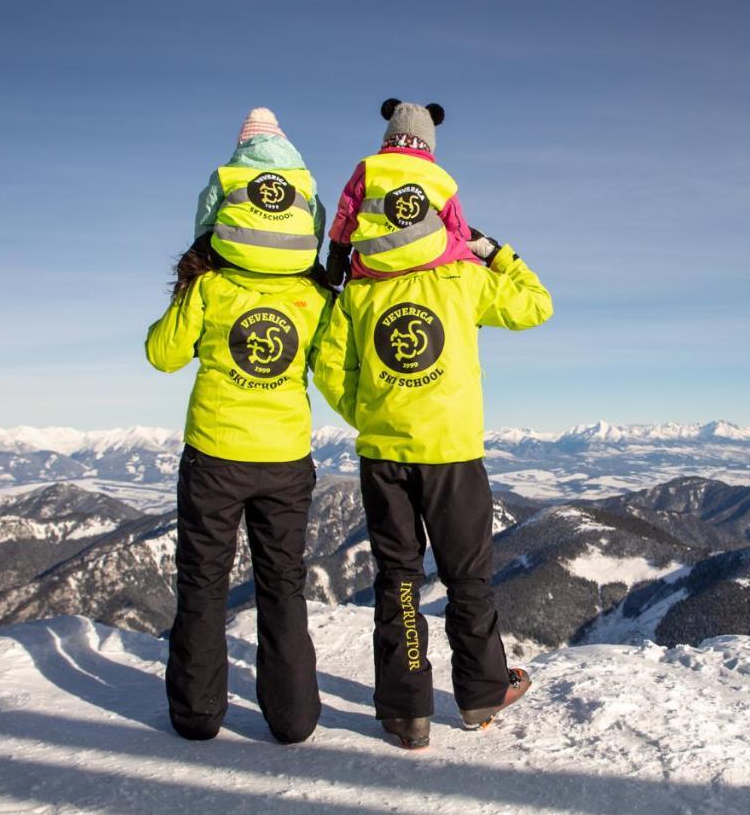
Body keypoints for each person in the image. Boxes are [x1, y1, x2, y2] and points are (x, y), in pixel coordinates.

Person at [314, 102, 553, 748]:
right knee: (467, 575)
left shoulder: (358, 287)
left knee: (397, 579)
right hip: (452, 451)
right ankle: (480, 693)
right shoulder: (464, 277)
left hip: (383, 453)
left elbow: (327, 363)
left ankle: (406, 709)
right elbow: (537, 305)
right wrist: (498, 252)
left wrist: (370, 411)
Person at [145, 107, 331, 744]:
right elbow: (335, 374)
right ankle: (294, 719)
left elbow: (163, 355)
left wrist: (190, 281)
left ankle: (197, 716)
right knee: (284, 586)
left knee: (202, 584)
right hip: (285, 458)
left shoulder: (211, 287)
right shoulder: (312, 295)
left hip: (215, 456)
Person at [321, 98, 476, 288]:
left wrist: (338, 251)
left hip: (376, 259)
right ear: (429, 141)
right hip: (426, 255)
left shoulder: (369, 167)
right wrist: (467, 246)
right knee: (467, 258)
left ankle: (355, 290)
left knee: (359, 267)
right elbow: (456, 224)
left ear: (389, 136)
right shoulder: (439, 176)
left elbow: (347, 214)